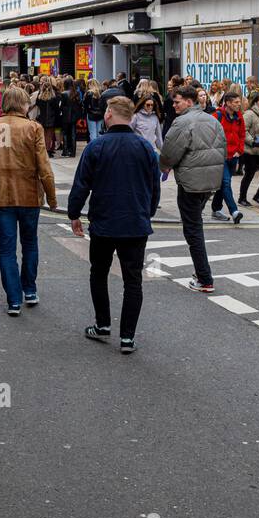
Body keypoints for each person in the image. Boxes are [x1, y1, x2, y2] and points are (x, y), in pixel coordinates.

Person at [68, 96, 160, 354]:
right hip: (135, 224)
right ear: (131, 117)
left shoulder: (96, 147)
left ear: (108, 114)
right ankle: (128, 338)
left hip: (104, 223)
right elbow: (154, 188)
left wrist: (74, 213)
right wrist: (147, 213)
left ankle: (102, 324)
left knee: (99, 273)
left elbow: (81, 184)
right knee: (133, 281)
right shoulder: (145, 148)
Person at [0, 85, 57, 314]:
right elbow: (44, 167)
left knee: (6, 249)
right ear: (23, 104)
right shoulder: (33, 128)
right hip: (29, 195)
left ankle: (13, 300)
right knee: (30, 244)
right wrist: (52, 198)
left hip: (1, 195)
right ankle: (30, 290)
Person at [160, 84, 226, 292]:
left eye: (177, 101)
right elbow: (221, 147)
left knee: (193, 230)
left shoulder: (182, 122)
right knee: (195, 225)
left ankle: (205, 278)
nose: (174, 105)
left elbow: (169, 152)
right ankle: (202, 273)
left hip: (190, 183)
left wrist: (164, 167)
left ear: (189, 101)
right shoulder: (211, 119)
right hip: (209, 182)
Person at [211, 86, 245, 223]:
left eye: (239, 102)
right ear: (228, 103)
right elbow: (209, 133)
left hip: (234, 156)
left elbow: (242, 134)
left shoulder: (239, 117)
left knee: (222, 184)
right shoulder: (217, 115)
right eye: (236, 102)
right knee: (226, 182)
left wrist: (239, 150)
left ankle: (216, 209)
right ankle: (234, 211)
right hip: (221, 156)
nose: (239, 104)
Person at [35, 79, 60, 156]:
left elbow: (37, 105)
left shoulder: (39, 98)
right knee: (49, 136)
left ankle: (44, 150)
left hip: (42, 119)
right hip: (51, 119)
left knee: (43, 135)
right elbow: (57, 109)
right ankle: (48, 150)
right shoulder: (53, 98)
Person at [58, 78, 81, 158]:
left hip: (65, 116)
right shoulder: (76, 93)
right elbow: (79, 104)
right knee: (73, 133)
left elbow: (61, 106)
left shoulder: (64, 93)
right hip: (74, 116)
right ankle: (73, 151)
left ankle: (65, 150)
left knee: (65, 133)